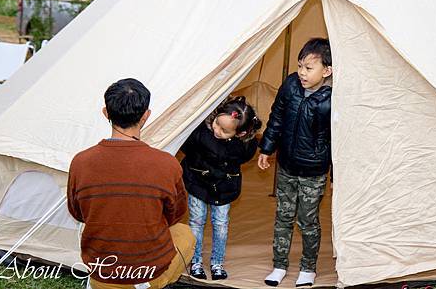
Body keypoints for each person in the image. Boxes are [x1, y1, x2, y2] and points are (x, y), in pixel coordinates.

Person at [67, 78, 194, 289]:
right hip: (147, 273)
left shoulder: (81, 161)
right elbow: (176, 214)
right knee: (184, 233)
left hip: (101, 271)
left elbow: (78, 212)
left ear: (106, 113)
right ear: (146, 115)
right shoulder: (166, 164)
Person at [258, 38, 333, 287]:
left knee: (308, 220)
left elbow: (337, 139)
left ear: (327, 71)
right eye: (300, 65)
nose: (302, 72)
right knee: (283, 216)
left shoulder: (331, 98)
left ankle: (308, 268)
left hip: (314, 170)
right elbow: (277, 117)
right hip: (287, 165)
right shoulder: (290, 84)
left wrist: (334, 175)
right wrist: (266, 149)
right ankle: (279, 265)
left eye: (309, 68)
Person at [180, 96, 262, 280]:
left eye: (225, 131)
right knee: (196, 221)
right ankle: (195, 261)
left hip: (224, 187)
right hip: (198, 181)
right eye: (217, 124)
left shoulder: (242, 145)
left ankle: (217, 262)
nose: (217, 131)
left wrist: (229, 145)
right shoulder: (201, 130)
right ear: (215, 115)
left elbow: (245, 155)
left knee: (221, 224)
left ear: (240, 133)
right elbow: (186, 145)